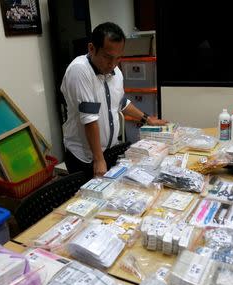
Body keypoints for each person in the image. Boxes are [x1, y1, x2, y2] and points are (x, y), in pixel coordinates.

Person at [61, 22, 167, 178]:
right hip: (85, 157)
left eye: (118, 58)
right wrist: (99, 159)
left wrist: (147, 119)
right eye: (107, 57)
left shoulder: (115, 71)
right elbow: (89, 119)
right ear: (91, 48)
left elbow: (120, 103)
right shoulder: (80, 70)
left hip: (107, 153)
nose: (112, 64)